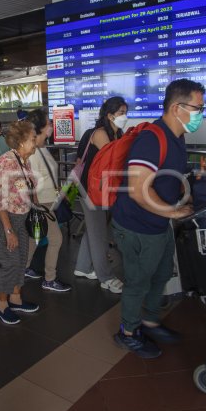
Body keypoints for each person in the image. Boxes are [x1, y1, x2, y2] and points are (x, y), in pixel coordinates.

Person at [110, 79, 201, 359]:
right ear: (177, 107)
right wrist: (173, 212)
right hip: (137, 225)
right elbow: (139, 190)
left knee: (160, 275)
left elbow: (170, 177)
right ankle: (128, 333)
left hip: (158, 223)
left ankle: (149, 322)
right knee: (138, 282)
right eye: (198, 108)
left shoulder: (178, 137)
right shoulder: (152, 138)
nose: (201, 114)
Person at [0, 120, 41, 325]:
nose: (36, 142)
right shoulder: (6, 163)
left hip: (21, 217)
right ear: (20, 142)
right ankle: (1, 305)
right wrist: (9, 231)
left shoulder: (22, 160)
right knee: (10, 263)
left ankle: (15, 298)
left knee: (21, 260)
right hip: (3, 218)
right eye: (32, 139)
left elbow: (27, 187)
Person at [73, 96, 128, 293]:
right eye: (121, 113)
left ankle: (82, 267)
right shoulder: (100, 134)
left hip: (100, 188)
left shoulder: (117, 134)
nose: (124, 116)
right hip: (90, 189)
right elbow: (115, 160)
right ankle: (106, 277)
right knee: (98, 233)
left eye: (125, 112)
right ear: (110, 115)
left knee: (94, 229)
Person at [25, 108, 71, 292]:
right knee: (56, 239)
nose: (52, 126)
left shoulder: (42, 148)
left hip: (48, 200)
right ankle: (49, 279)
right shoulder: (33, 151)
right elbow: (30, 181)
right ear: (41, 127)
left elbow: (46, 176)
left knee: (33, 238)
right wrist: (36, 206)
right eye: (49, 123)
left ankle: (24, 268)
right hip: (41, 204)